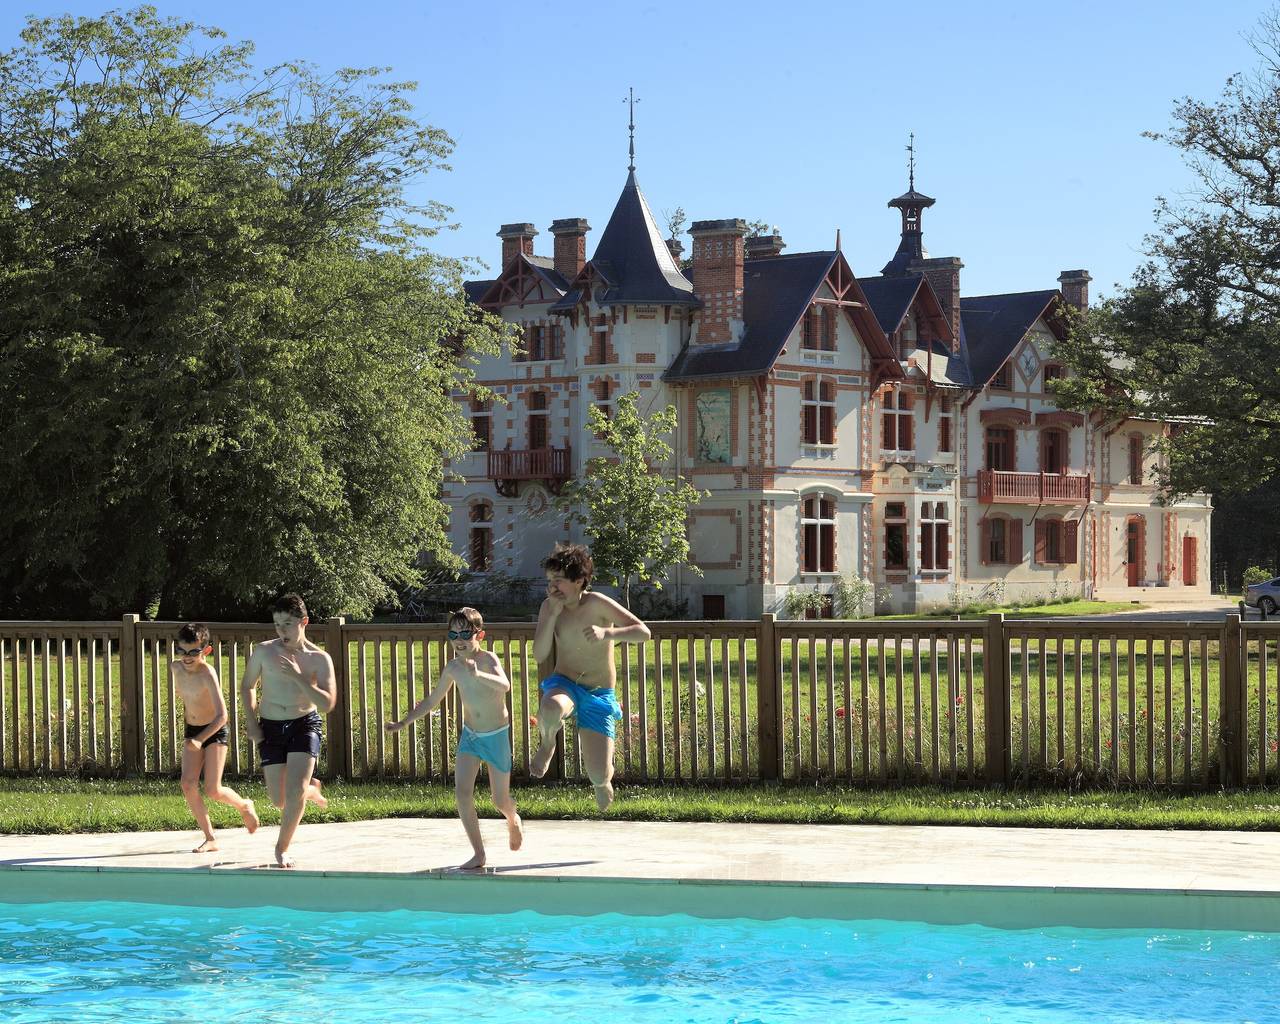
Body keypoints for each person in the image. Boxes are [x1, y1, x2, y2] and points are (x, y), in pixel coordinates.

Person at [386, 607, 523, 870]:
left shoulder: (488, 659)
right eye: (453, 634)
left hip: (496, 736)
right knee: (462, 794)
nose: (459, 640)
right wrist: (404, 722)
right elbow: (431, 700)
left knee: (499, 800)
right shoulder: (452, 668)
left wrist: (478, 674)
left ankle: (512, 818)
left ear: (479, 635)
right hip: (470, 737)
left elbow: (505, 685)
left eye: (466, 634)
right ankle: (479, 854)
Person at [530, 543, 651, 811]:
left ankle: (601, 781)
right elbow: (539, 655)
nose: (552, 587)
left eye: (559, 581)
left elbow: (643, 632)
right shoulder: (548, 608)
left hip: (598, 692)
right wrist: (550, 617)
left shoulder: (598, 604)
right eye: (550, 581)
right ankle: (548, 743)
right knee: (550, 707)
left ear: (580, 581)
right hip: (565, 683)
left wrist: (608, 634)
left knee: (598, 773)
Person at [240, 593, 334, 868]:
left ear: (304, 622)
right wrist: (251, 721)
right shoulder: (264, 651)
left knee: (293, 794)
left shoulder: (319, 659)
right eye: (277, 624)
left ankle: (282, 849)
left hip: (304, 724)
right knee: (279, 800)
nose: (282, 631)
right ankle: (310, 788)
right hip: (270, 726)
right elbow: (247, 686)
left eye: (288, 624)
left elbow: (327, 704)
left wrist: (297, 676)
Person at [171, 622, 259, 852]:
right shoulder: (175, 668)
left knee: (212, 789)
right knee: (188, 784)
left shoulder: (208, 673)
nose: (187, 657)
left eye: (193, 652)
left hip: (214, 730)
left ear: (206, 651)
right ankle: (210, 838)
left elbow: (222, 715)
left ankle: (244, 805)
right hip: (193, 730)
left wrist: (201, 739)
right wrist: (194, 734)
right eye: (182, 651)